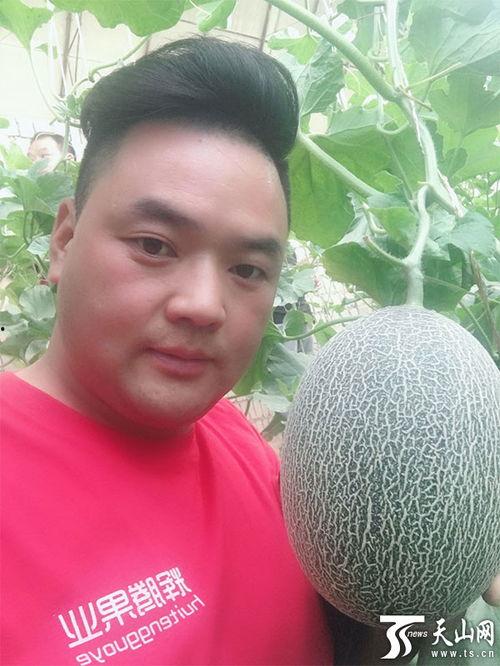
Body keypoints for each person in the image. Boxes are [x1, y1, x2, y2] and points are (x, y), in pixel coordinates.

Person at [0, 37, 335, 665]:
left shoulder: (239, 441)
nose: (204, 306)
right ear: (64, 240)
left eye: (247, 269)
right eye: (154, 245)